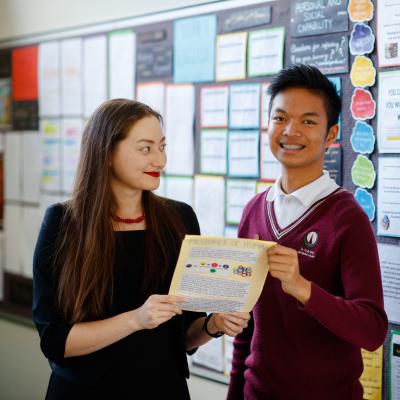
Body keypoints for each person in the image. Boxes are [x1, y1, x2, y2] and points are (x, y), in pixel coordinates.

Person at [32, 99, 250, 400]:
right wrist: (136, 319)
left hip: (163, 388)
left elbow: (185, 336)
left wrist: (214, 324)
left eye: (162, 147)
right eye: (146, 149)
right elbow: (55, 340)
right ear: (107, 153)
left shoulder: (180, 219)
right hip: (84, 392)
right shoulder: (62, 223)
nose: (160, 161)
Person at [227, 64, 388, 400]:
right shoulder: (253, 211)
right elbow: (245, 329)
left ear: (331, 135)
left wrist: (302, 289)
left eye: (308, 121)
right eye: (281, 118)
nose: (291, 131)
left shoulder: (347, 218)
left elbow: (372, 330)